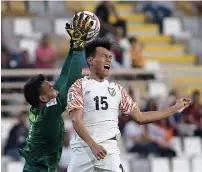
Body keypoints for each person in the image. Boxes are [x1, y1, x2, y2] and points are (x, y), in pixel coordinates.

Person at [66, 38, 191, 172]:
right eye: (104, 56)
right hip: (84, 149)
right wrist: (93, 145)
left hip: (109, 150)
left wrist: (174, 109)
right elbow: (76, 120)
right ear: (91, 61)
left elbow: (141, 117)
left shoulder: (117, 90)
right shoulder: (79, 86)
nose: (109, 60)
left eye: (110, 57)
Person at [19, 13, 94, 172]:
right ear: (43, 97)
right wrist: (79, 47)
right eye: (50, 87)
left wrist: (74, 45)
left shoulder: (43, 107)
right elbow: (72, 81)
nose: (54, 87)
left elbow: (64, 75)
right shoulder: (48, 115)